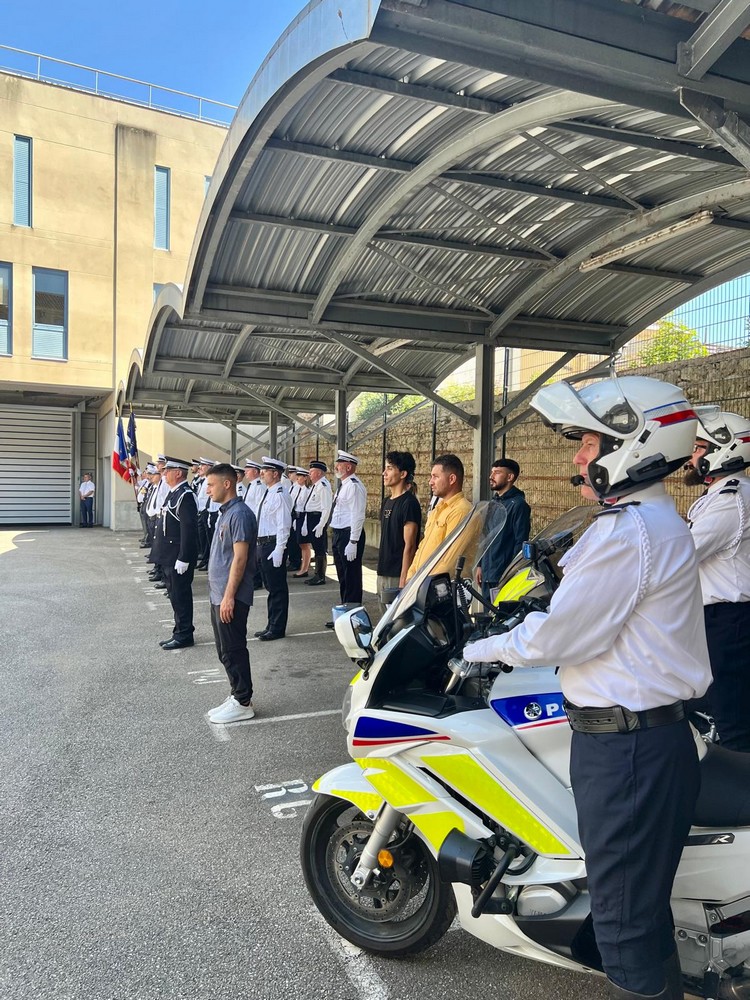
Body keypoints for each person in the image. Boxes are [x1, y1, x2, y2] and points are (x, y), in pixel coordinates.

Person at [463, 375, 711, 1000]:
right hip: (641, 739)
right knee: (630, 907)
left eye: (591, 442)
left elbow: (560, 637)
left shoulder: (629, 532)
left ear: (638, 444)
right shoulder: (650, 521)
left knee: (627, 922)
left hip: (626, 749)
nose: (578, 456)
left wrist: (480, 648)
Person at [685, 407, 750, 752]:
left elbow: (680, 557)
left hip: (730, 620)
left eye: (698, 448)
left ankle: (737, 797)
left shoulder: (730, 500)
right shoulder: (727, 495)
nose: (691, 458)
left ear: (722, 450)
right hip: (723, 619)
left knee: (732, 717)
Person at [204, 463, 258, 725]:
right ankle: (237, 693)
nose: (207, 490)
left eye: (211, 484)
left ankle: (243, 701)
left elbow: (240, 559)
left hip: (230, 596)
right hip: (219, 594)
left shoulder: (240, 514)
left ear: (227, 484)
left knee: (234, 648)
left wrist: (228, 597)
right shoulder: (225, 512)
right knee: (224, 649)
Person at [153, 457, 200, 650]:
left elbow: (189, 530)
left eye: (167, 470)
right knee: (175, 596)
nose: (164, 474)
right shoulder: (174, 493)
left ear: (179, 473)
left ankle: (184, 634)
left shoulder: (185, 496)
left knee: (180, 596)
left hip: (177, 556)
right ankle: (179, 630)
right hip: (168, 555)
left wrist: (184, 557)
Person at [406, 454, 472, 580]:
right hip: (423, 584)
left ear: (452, 479)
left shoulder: (461, 510)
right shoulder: (439, 508)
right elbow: (423, 546)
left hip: (441, 587)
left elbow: (449, 559)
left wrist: (422, 583)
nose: (430, 482)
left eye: (435, 477)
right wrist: (411, 577)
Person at [477, 458, 532, 599]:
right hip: (487, 573)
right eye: (491, 472)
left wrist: (511, 572)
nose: (491, 476)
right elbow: (485, 536)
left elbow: (520, 541)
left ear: (510, 477)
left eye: (497, 473)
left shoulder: (519, 505)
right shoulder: (493, 503)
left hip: (502, 574)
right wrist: (479, 565)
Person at [377, 451, 422, 615]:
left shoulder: (409, 503)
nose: (384, 473)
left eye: (389, 468)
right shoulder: (386, 502)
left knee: (397, 622)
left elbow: (409, 546)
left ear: (403, 474)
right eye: (385, 468)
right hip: (383, 570)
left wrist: (404, 579)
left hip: (397, 575)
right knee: (384, 622)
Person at [254, 457, 292, 641]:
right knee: (270, 587)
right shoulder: (268, 492)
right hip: (263, 544)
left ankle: (277, 628)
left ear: (275, 474)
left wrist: (280, 548)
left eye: (265, 470)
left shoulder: (280, 494)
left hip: (272, 544)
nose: (261, 473)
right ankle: (271, 624)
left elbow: (283, 524)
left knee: (277, 588)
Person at [329, 450, 367, 611]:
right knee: (343, 575)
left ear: (349, 467)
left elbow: (357, 515)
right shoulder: (343, 486)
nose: (336, 467)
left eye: (339, 465)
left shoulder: (354, 486)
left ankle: (352, 610)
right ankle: (345, 606)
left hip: (349, 534)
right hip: (339, 533)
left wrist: (353, 541)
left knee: (351, 575)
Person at [303, 461, 333, 587]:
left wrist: (321, 524)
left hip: (317, 518)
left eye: (311, 471)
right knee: (315, 546)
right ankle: (317, 574)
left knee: (320, 547)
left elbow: (326, 507)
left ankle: (320, 576)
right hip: (311, 517)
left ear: (319, 472)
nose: (309, 474)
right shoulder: (316, 485)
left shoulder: (323, 485)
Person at [194, 457, 217, 570]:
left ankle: (209, 561)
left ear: (209, 467)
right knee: (205, 538)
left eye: (203, 465)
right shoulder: (204, 480)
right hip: (204, 511)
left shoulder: (210, 481)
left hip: (208, 512)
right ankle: (205, 559)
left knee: (210, 539)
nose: (200, 467)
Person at [292, 468, 312, 578]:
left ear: (305, 478)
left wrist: (304, 523)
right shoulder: (299, 489)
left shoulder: (307, 491)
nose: (297, 478)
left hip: (304, 517)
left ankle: (304, 568)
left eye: (300, 476)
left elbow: (306, 507)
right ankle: (303, 567)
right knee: (301, 544)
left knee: (305, 544)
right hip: (298, 517)